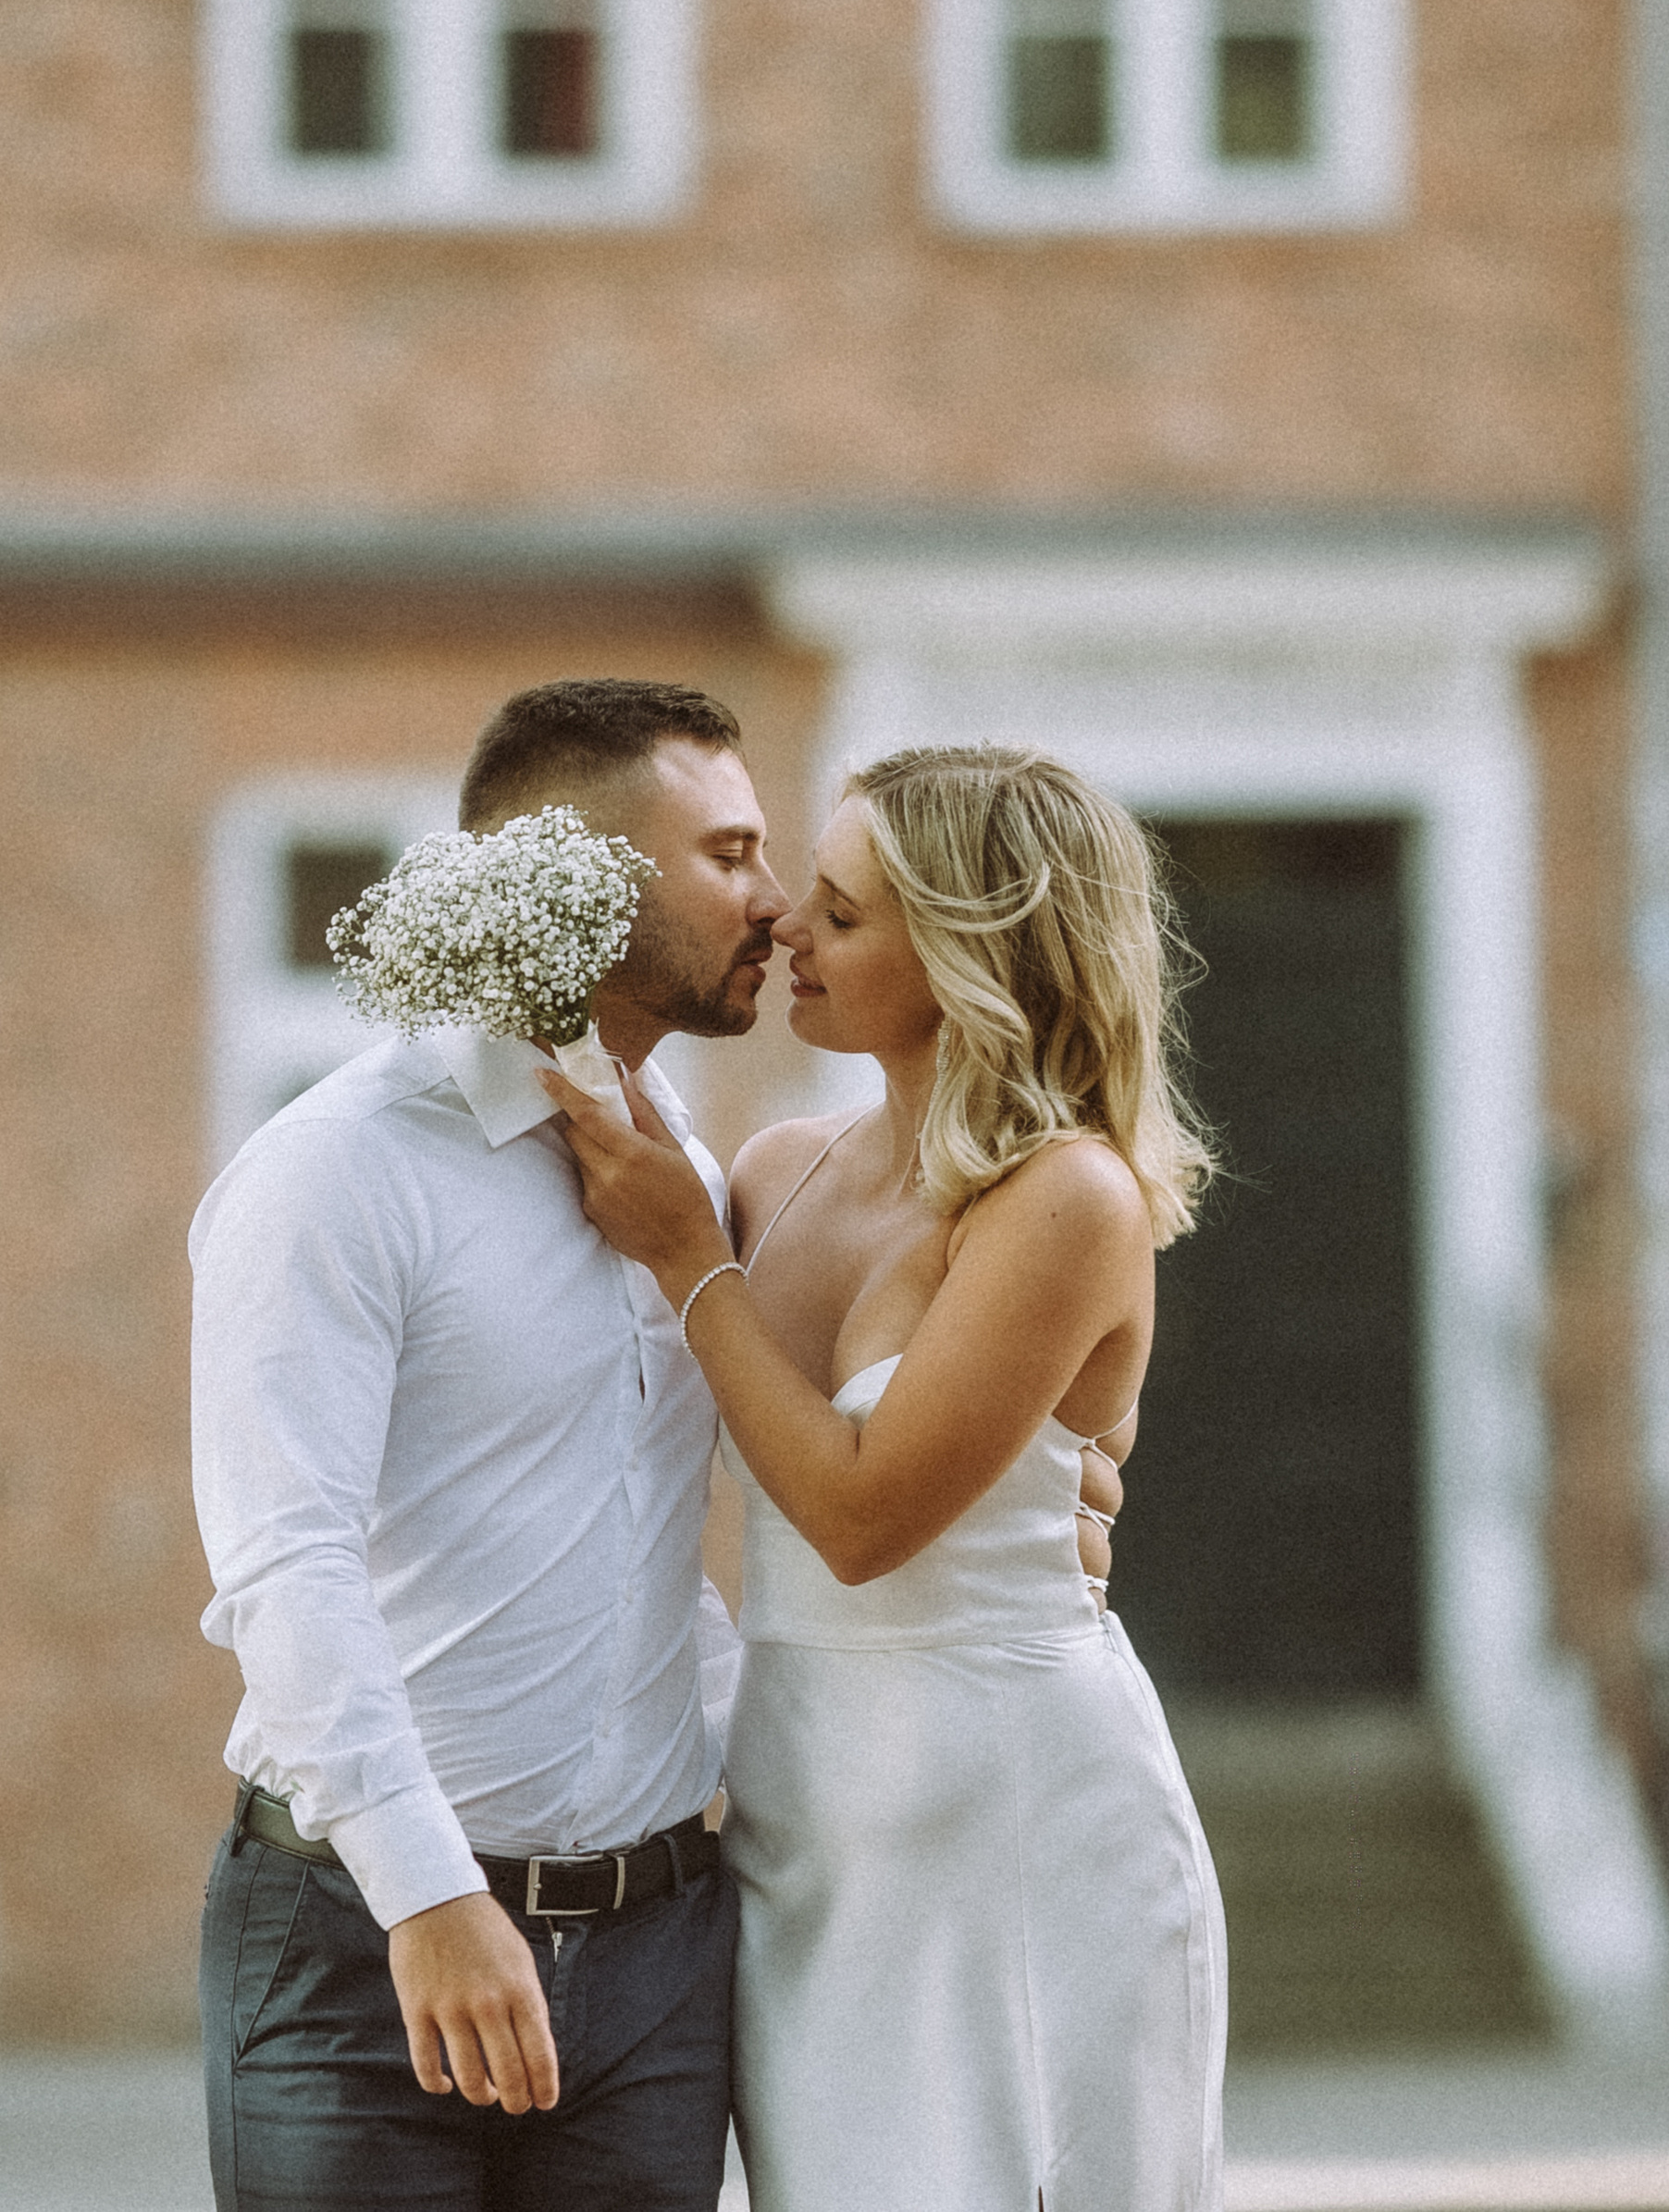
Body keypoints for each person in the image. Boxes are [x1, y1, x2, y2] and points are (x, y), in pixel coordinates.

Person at [546, 741, 1227, 2212]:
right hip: (803, 1808)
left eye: (845, 914)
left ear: (974, 949)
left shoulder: (1068, 1197)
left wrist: (687, 1260)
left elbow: (857, 1516)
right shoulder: (769, 1170)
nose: (790, 921)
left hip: (1021, 1815)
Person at [189, 678, 786, 2211]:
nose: (774, 903)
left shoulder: (684, 1177)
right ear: (587, 868)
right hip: (364, 1944)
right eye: (729, 855)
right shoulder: (335, 1172)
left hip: (660, 1959)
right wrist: (431, 1894)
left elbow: (654, 1558)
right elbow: (285, 1561)